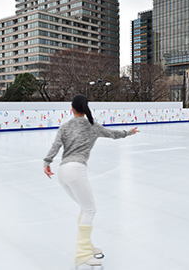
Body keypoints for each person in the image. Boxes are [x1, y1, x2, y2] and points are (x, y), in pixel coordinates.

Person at [44, 94, 139, 268]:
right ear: (86, 108)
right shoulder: (93, 126)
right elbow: (113, 134)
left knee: (84, 209)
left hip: (62, 172)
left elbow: (55, 146)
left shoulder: (65, 127)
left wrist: (47, 162)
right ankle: (82, 254)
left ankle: (86, 246)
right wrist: (129, 132)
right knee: (90, 210)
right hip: (76, 169)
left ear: (71, 109)